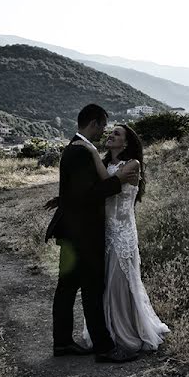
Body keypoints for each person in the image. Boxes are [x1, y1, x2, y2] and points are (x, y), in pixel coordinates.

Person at [44, 104, 140, 363]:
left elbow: (76, 191)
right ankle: (105, 348)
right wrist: (117, 181)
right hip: (83, 234)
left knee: (66, 288)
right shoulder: (82, 151)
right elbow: (89, 195)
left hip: (72, 232)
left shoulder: (76, 148)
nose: (104, 132)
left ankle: (63, 343)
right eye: (103, 126)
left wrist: (61, 199)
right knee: (91, 289)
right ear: (95, 123)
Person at [75, 123, 170, 352]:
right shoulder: (105, 163)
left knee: (119, 284)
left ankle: (124, 333)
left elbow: (111, 183)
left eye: (116, 134)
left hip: (123, 232)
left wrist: (90, 150)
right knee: (104, 285)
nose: (111, 135)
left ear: (126, 143)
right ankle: (105, 333)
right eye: (110, 132)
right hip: (104, 231)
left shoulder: (132, 164)